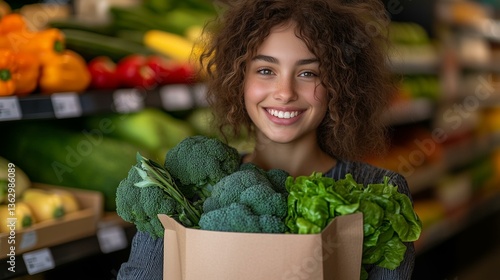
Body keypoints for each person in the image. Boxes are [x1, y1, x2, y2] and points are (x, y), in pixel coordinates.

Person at [117, 0, 416, 279]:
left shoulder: (380, 191)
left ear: (339, 85)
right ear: (239, 80)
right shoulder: (186, 191)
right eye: (265, 70)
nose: (285, 92)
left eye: (308, 73)